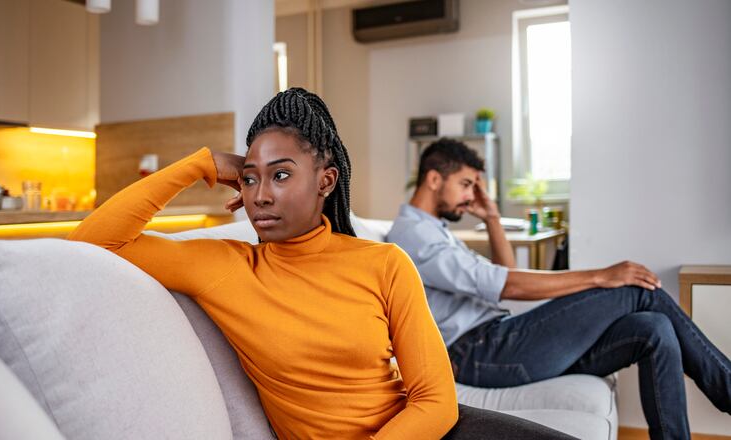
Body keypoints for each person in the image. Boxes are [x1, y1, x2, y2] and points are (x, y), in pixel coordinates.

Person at [68, 90, 574, 439]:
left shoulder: (383, 263)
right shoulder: (224, 267)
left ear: (326, 182)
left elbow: (433, 400)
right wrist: (197, 165)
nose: (261, 195)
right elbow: (93, 242)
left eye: (281, 175)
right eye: (249, 179)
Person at [387, 137, 731, 440]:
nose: (470, 195)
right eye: (465, 184)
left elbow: (503, 272)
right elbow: (506, 284)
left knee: (653, 328)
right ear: (434, 179)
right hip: (480, 351)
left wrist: (492, 217)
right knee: (639, 290)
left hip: (495, 341)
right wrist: (601, 276)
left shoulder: (435, 230)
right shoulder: (413, 235)